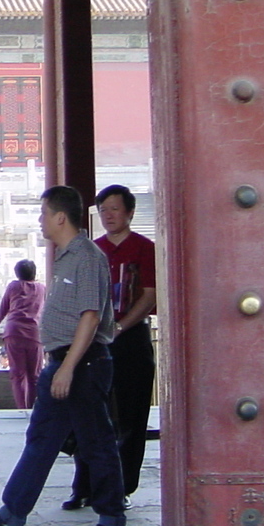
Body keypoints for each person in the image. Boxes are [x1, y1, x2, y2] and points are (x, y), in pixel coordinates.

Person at [0, 185, 125, 526]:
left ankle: (112, 520)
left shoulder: (87, 256)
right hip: (61, 362)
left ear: (60, 217)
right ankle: (10, 515)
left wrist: (68, 367)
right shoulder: (66, 256)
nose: (39, 220)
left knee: (96, 441)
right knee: (40, 439)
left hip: (81, 363)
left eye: (42, 214)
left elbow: (89, 316)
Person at [81, 184, 158, 502]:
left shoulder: (144, 248)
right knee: (92, 414)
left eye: (114, 209)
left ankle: (122, 487)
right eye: (103, 210)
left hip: (132, 338)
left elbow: (150, 295)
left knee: (131, 415)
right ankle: (86, 485)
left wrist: (123, 325)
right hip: (97, 339)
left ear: (129, 212)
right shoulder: (91, 250)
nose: (108, 215)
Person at [0, 259, 44, 410]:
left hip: (14, 332)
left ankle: (21, 409)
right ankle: (33, 410)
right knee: (34, 376)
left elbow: (3, 309)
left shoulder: (13, 286)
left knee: (18, 375)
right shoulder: (41, 288)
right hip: (34, 334)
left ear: (17, 273)